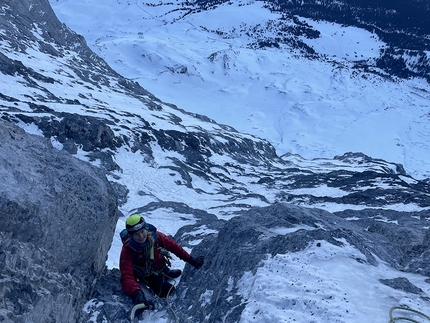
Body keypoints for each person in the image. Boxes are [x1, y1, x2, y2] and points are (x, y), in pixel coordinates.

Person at [120, 214, 205, 309]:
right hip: (147, 275)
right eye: (136, 234)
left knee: (163, 268)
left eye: (142, 231)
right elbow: (126, 276)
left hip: (159, 265)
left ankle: (165, 272)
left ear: (145, 229)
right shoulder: (128, 249)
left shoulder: (155, 237)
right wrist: (136, 293)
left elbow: (174, 247)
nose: (141, 236)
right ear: (131, 235)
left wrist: (191, 260)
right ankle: (160, 278)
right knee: (170, 291)